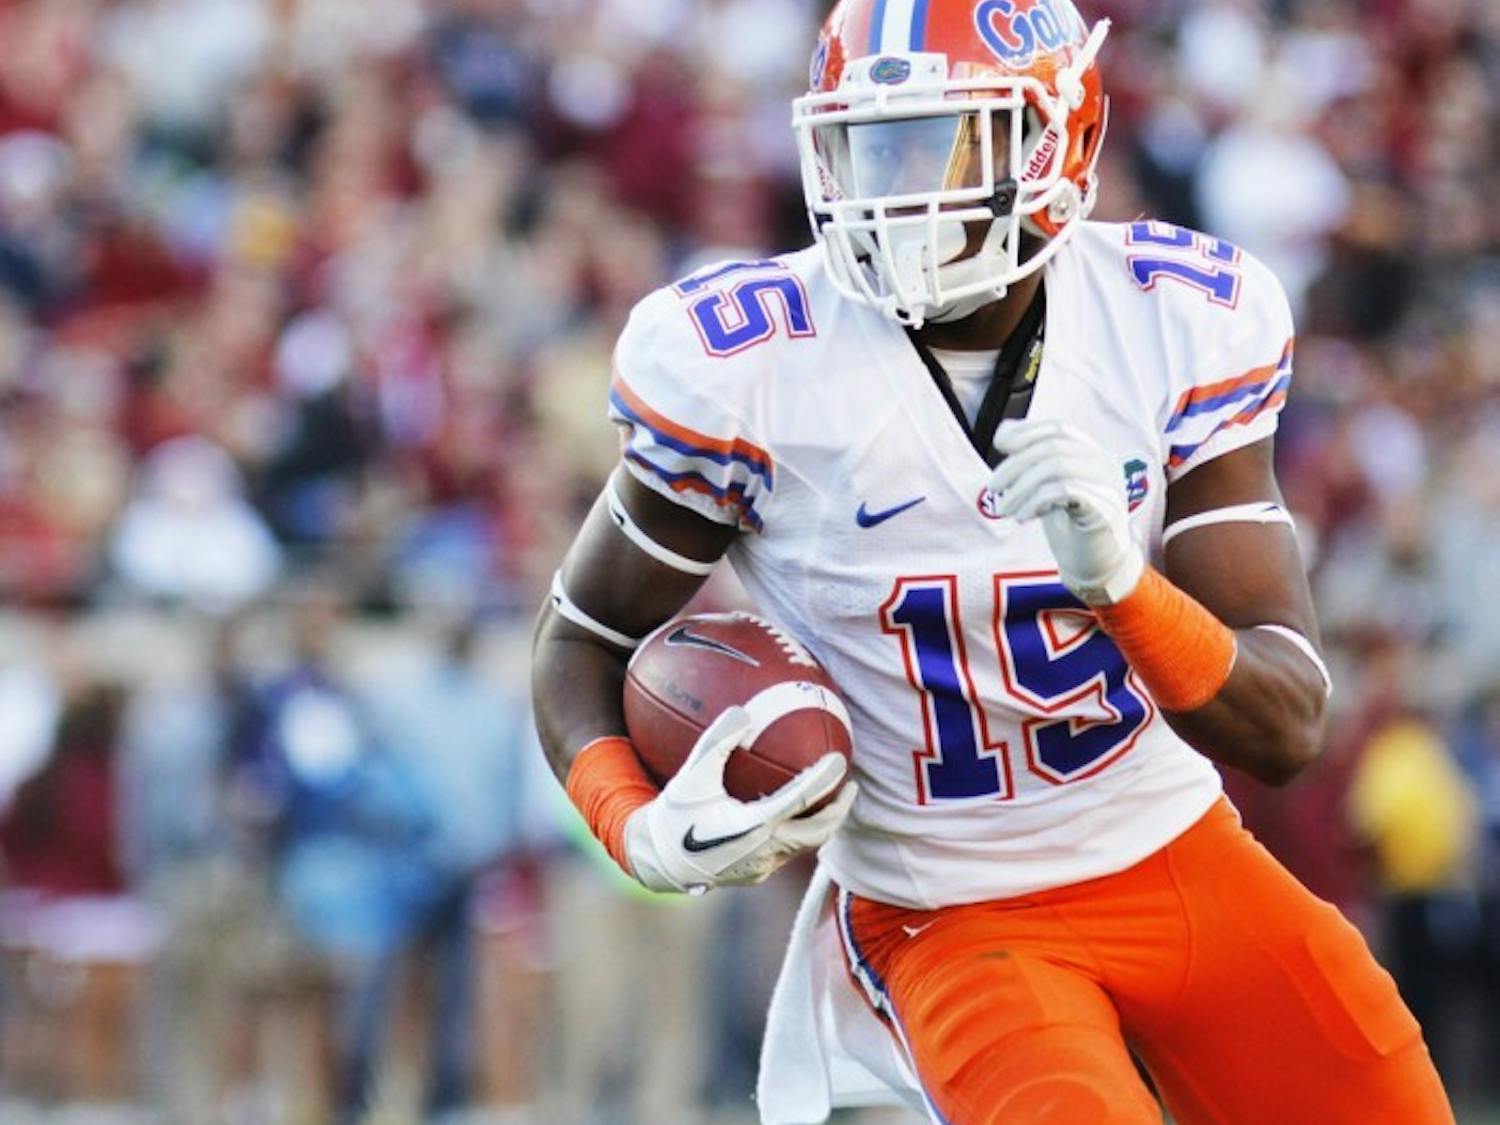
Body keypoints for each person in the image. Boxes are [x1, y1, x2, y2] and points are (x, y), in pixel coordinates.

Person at [531, 1, 1455, 1121]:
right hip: (951, 907)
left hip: (1168, 844)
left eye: (938, 141)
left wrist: (1123, 582)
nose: (893, 192)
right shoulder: (753, 365)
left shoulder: (1173, 317)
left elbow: (1287, 726)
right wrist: (628, 816)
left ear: (1055, 139)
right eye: (867, 148)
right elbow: (583, 634)